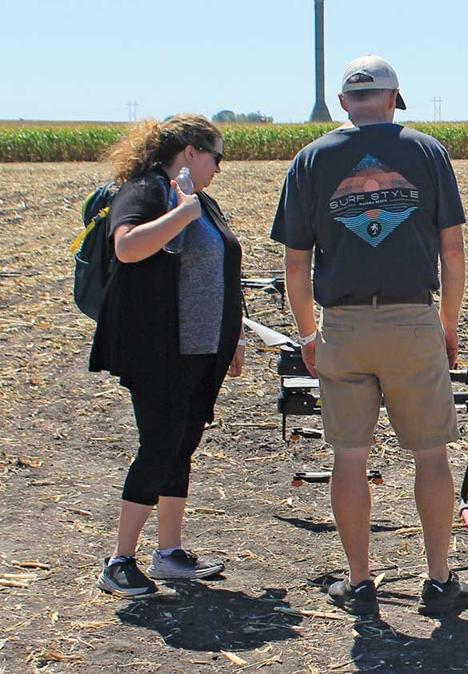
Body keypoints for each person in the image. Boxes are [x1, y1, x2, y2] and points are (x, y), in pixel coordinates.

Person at [271, 55, 468, 616]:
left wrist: (308, 333)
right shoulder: (427, 152)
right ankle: (438, 581)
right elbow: (452, 252)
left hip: (344, 325)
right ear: (394, 98)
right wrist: (447, 327)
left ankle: (360, 583)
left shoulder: (311, 160)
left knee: (350, 456)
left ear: (343, 102)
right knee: (431, 455)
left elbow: (295, 261)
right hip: (413, 320)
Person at [90, 114, 244, 597]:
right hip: (158, 350)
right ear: (191, 152)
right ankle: (119, 560)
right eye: (216, 156)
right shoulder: (146, 190)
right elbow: (128, 247)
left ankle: (170, 554)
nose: (219, 167)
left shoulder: (201, 202)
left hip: (199, 349)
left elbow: (222, 269)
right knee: (158, 447)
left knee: (181, 446)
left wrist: (234, 335)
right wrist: (182, 213)